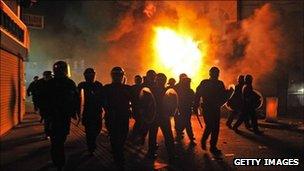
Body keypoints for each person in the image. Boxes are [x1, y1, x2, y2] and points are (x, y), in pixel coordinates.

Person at [46, 61, 78, 170]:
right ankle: (59, 162)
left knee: (57, 140)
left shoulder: (50, 83)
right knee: (59, 140)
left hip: (55, 117)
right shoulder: (70, 83)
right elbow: (76, 100)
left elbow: (76, 99)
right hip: (61, 117)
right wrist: (75, 113)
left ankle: (57, 161)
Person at [103, 67, 133, 167]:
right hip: (113, 117)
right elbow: (102, 102)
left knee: (120, 138)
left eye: (119, 75)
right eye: (116, 75)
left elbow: (135, 101)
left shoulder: (126, 88)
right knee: (116, 139)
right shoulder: (107, 88)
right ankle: (119, 158)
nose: (117, 77)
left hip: (121, 117)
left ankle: (118, 156)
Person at [194, 67, 228, 155]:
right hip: (208, 108)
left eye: (217, 73)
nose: (216, 74)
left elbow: (224, 96)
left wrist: (228, 93)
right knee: (210, 125)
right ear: (210, 73)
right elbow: (198, 94)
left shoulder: (219, 83)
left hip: (215, 108)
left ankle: (213, 146)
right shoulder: (205, 82)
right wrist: (195, 105)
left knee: (215, 127)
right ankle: (204, 140)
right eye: (215, 73)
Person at [147, 73, 176, 161]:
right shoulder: (163, 91)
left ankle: (153, 153)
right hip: (159, 116)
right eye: (159, 79)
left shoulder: (164, 91)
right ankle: (170, 155)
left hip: (161, 116)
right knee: (165, 136)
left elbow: (172, 103)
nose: (160, 81)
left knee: (162, 135)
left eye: (161, 80)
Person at [78, 68, 103, 155]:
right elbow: (78, 99)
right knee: (89, 131)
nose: (90, 77)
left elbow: (103, 98)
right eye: (88, 75)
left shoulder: (98, 85)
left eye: (91, 75)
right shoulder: (82, 85)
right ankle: (91, 146)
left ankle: (92, 143)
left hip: (96, 112)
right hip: (87, 112)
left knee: (97, 129)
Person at [174, 77, 195, 144]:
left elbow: (193, 100)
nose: (188, 84)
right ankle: (190, 138)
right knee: (186, 124)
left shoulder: (189, 91)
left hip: (186, 110)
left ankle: (181, 136)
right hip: (181, 109)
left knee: (185, 124)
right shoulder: (181, 91)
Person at [36, 71, 53, 138]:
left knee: (49, 120)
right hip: (44, 105)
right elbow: (37, 94)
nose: (48, 77)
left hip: (51, 105)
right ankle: (47, 133)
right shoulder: (40, 82)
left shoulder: (54, 82)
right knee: (47, 120)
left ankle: (49, 133)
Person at [130, 75, 144, 142]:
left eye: (139, 79)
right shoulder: (133, 88)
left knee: (139, 121)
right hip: (137, 108)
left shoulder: (132, 88)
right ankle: (135, 135)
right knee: (139, 121)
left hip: (137, 108)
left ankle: (136, 135)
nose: (139, 80)